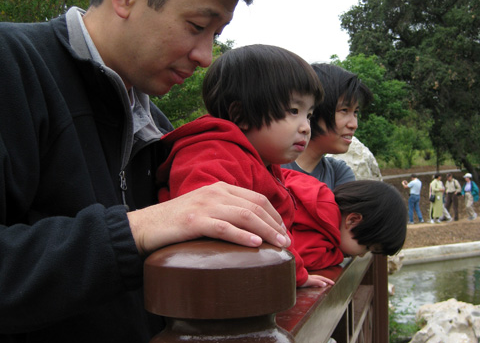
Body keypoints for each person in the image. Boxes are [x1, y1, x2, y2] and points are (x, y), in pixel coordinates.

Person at [0, 0, 293, 343]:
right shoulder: (14, 68)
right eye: (197, 26)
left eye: (218, 34)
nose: (206, 57)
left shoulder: (152, 124)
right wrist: (142, 227)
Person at [157, 45, 407, 287]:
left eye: (308, 115)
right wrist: (295, 274)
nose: (305, 126)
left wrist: (296, 274)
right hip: (204, 291)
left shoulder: (265, 165)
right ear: (240, 115)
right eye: (293, 111)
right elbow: (203, 223)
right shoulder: (212, 154)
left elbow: (279, 236)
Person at [282, 62, 373, 190]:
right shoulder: (272, 166)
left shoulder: (338, 173)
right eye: (344, 110)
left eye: (355, 112)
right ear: (313, 111)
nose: (354, 125)